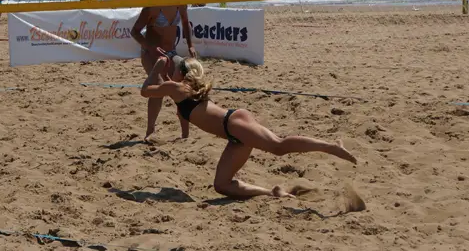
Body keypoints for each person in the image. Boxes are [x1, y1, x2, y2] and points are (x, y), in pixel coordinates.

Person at [141, 54, 357, 198]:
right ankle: (272, 193)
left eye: (175, 68)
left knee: (278, 146)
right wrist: (184, 134)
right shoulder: (181, 91)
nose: (171, 70)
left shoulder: (177, 88)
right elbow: (181, 108)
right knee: (221, 185)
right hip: (233, 134)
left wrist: (157, 67)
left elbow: (145, 91)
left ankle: (330, 146)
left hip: (234, 124)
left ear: (182, 74)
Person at [131, 0, 197, 140]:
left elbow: (186, 23)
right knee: (159, 88)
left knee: (183, 86)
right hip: (151, 53)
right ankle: (150, 131)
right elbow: (135, 32)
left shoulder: (180, 3)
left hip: (170, 52)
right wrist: (150, 47)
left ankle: (185, 135)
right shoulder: (151, 6)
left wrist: (190, 45)